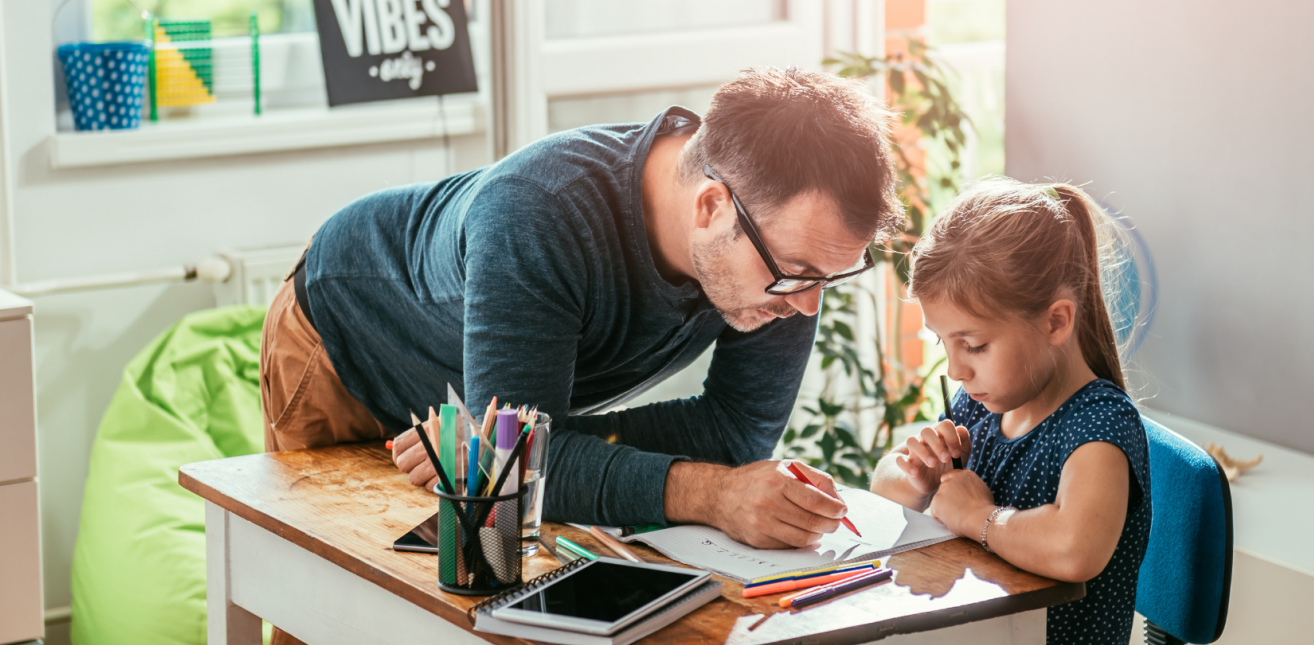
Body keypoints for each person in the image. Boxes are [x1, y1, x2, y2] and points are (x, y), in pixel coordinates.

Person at [260, 66, 902, 550]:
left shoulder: (781, 247)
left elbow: (736, 432)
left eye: (831, 277)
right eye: (796, 275)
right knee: (326, 591)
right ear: (711, 208)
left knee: (489, 574)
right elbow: (512, 467)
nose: (809, 303)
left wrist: (490, 446)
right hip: (348, 342)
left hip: (478, 406)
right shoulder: (538, 212)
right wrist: (706, 492)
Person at [870, 179, 1151, 645]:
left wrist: (978, 517)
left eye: (974, 345)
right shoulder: (982, 405)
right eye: (943, 343)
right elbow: (883, 481)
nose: (956, 369)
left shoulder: (1099, 425)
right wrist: (918, 481)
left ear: (1056, 321)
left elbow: (1073, 548)